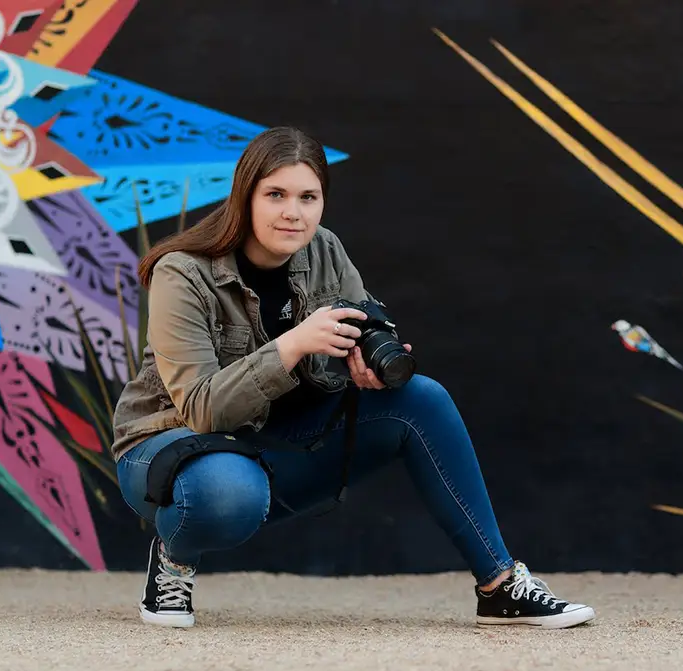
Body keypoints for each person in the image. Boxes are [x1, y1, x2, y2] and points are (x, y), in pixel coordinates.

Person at [111, 126, 596, 630]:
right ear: (244, 196)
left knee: (420, 398)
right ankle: (175, 555)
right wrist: (295, 342)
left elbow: (361, 323)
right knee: (230, 493)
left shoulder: (325, 251)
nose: (292, 212)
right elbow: (202, 409)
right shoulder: (183, 272)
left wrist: (363, 361)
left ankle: (500, 586)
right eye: (275, 195)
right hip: (173, 448)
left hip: (272, 443)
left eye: (308, 197)